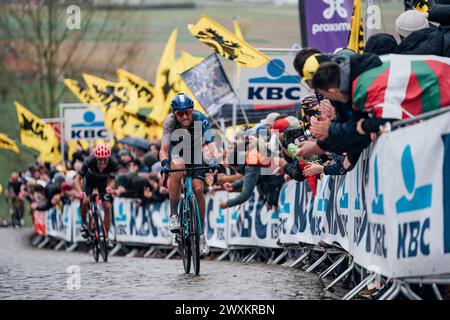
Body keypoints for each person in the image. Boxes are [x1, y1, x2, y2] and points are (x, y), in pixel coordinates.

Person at [159, 93, 219, 255]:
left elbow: (210, 144)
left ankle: (200, 235)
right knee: (177, 168)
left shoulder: (200, 118)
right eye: (180, 113)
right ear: (174, 113)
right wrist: (164, 163)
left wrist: (214, 160)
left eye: (188, 112)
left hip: (195, 153)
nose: (185, 116)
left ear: (192, 111)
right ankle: (173, 215)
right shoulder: (169, 122)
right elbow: (164, 149)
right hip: (176, 151)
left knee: (198, 189)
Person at [74, 144, 118, 244]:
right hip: (89, 181)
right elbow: (77, 179)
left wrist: (110, 187)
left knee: (107, 206)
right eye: (100, 160)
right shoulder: (89, 161)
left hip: (103, 183)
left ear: (108, 158)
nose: (102, 163)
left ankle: (106, 236)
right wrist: (80, 191)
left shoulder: (113, 163)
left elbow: (112, 179)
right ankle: (84, 224)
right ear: (96, 158)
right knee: (85, 201)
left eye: (104, 160)